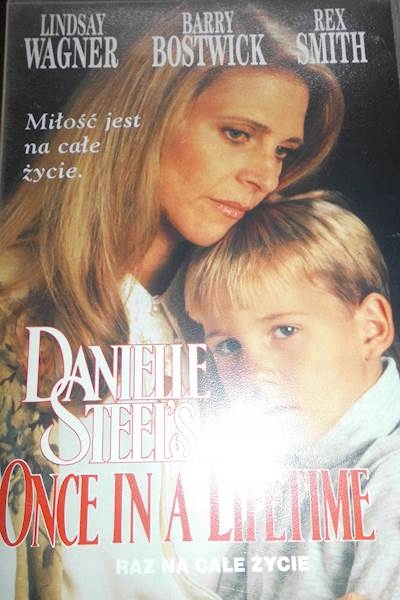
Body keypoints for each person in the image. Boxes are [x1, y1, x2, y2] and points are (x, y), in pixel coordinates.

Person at [0, 4, 344, 599]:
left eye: (283, 150)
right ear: (145, 118)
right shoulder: (17, 306)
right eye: (238, 134)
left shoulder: (234, 325)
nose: (265, 176)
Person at [184, 194, 400, 599]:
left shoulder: (391, 474)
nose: (254, 372)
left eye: (285, 330)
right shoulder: (270, 474)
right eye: (228, 346)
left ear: (371, 328)